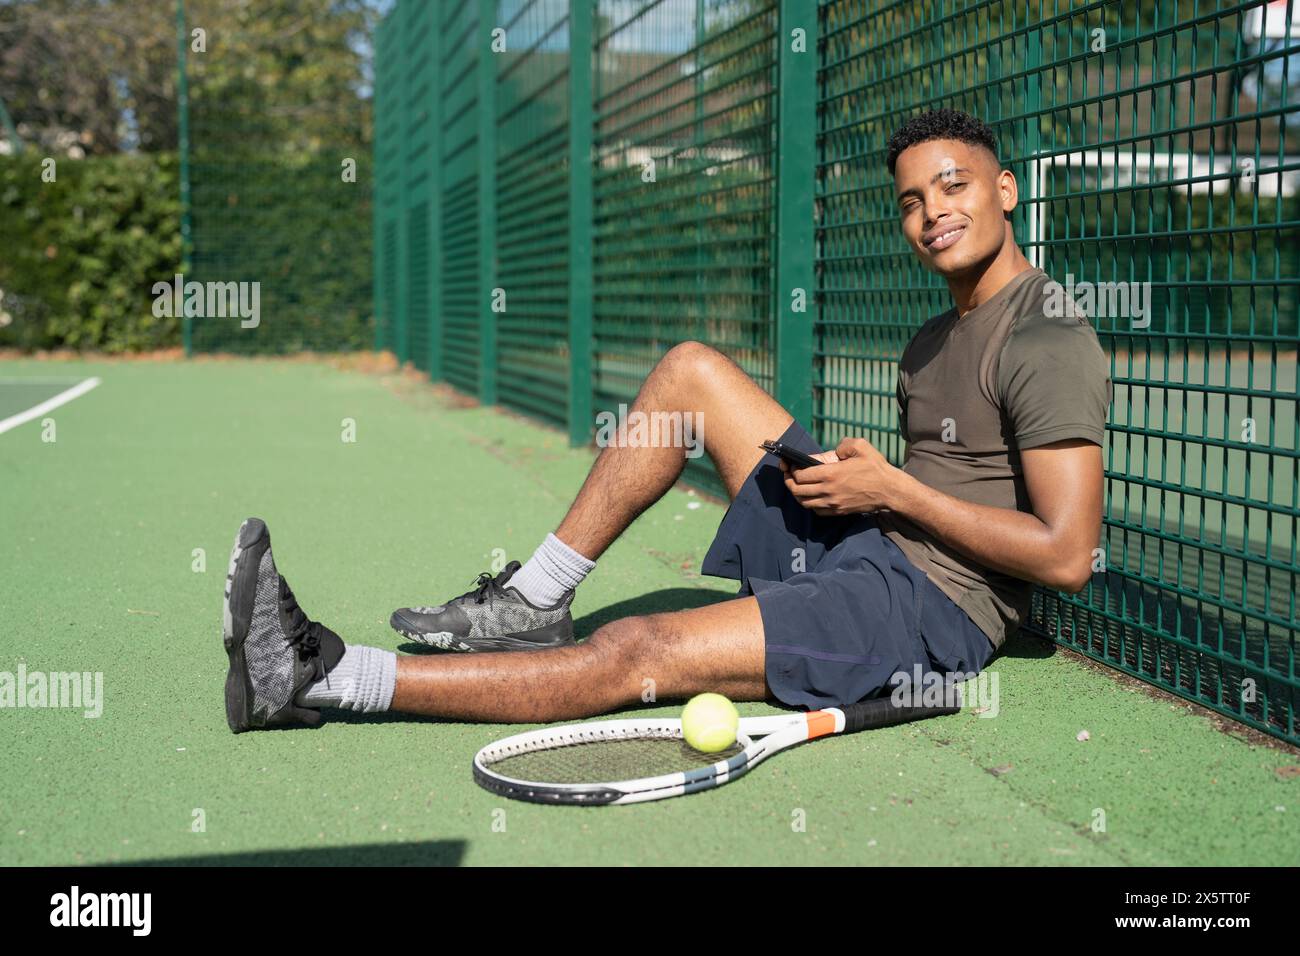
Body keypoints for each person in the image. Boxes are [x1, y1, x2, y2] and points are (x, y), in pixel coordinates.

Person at [221, 108, 1111, 733]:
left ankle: (326, 675)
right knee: (691, 370)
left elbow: (1067, 557)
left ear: (1006, 190)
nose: (932, 212)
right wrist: (874, 497)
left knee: (637, 650)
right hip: (876, 543)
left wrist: (896, 493)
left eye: (953, 186)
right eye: (912, 200)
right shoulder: (932, 337)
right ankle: (535, 599)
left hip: (928, 612)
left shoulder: (1047, 335)